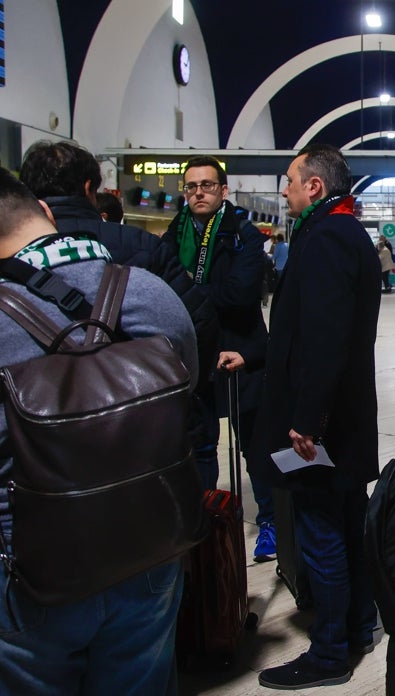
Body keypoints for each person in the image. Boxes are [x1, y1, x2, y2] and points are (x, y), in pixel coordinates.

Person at [0, 163, 198, 695]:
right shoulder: (149, 293)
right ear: (48, 214)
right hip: (148, 539)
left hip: (21, 562)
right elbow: (183, 391)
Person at [251, 144, 381, 690]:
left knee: (322, 533)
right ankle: (357, 626)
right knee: (348, 527)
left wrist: (306, 419)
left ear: (315, 188)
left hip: (321, 426)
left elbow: (323, 339)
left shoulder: (326, 239)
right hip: (345, 418)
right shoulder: (345, 234)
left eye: (289, 180)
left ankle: (329, 654)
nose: (283, 190)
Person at [18, 140, 217, 382]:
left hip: (37, 404)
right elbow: (198, 321)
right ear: (89, 187)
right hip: (137, 402)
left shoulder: (4, 253)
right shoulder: (143, 246)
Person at [160, 156, 276, 561]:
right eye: (191, 186)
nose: (198, 193)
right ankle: (205, 519)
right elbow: (159, 288)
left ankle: (271, 521)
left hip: (242, 352)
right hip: (193, 355)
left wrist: (187, 293)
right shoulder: (173, 233)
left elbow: (240, 295)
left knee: (253, 444)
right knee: (201, 444)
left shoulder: (243, 235)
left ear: (223, 191)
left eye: (207, 185)